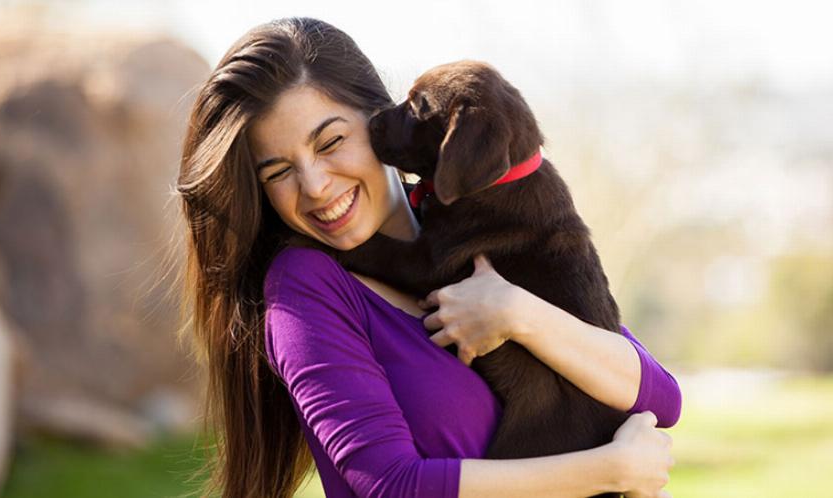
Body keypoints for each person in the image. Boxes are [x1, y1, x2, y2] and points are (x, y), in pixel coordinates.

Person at [175, 16, 681, 498]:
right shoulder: (306, 284)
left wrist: (514, 312)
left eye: (330, 142)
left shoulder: (487, 234)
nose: (315, 186)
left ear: (379, 115)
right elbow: (389, 485)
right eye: (278, 172)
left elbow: (660, 396)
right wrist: (609, 470)